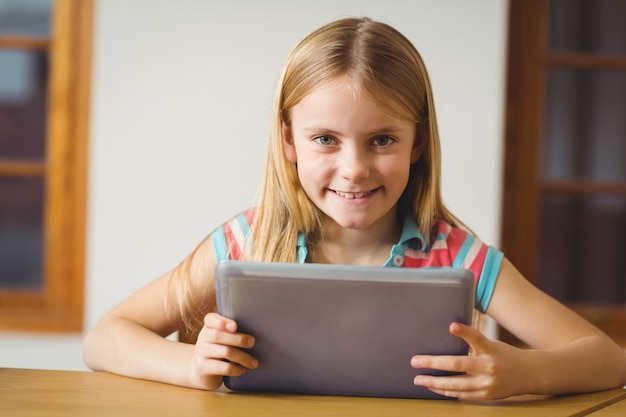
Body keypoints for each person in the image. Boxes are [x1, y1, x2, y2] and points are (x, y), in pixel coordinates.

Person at [82, 16, 626, 400]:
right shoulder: (246, 242)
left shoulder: (460, 258)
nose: (354, 168)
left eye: (382, 140)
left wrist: (523, 372)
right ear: (289, 142)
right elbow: (105, 337)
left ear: (417, 144)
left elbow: (608, 359)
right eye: (325, 139)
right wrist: (192, 365)